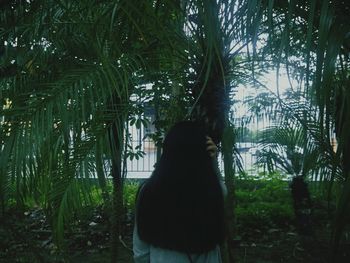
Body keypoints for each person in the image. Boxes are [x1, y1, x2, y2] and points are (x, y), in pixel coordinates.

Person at [133, 121, 225, 263]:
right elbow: (221, 188)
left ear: (168, 150)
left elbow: (141, 253)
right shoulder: (213, 190)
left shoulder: (149, 191)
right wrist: (213, 161)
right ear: (203, 153)